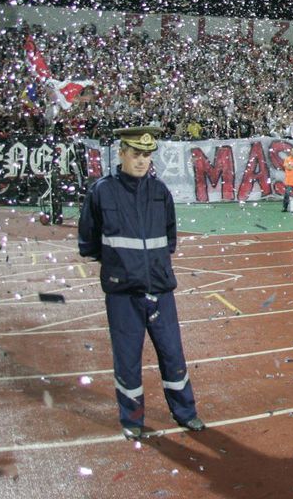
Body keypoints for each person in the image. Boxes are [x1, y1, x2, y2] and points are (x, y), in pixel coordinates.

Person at [78, 126, 205, 440]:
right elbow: (88, 242)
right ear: (122, 152)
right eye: (135, 153)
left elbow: (169, 237)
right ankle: (132, 419)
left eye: (147, 155)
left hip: (160, 289)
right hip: (123, 293)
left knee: (173, 354)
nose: (141, 160)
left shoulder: (160, 192)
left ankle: (186, 413)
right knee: (127, 358)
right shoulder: (101, 191)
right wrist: (119, 266)